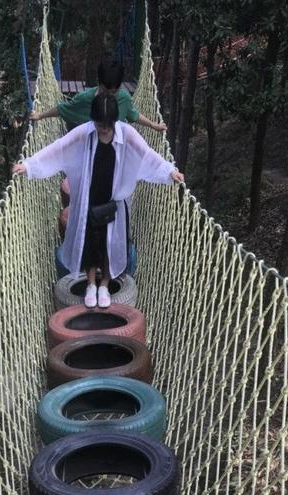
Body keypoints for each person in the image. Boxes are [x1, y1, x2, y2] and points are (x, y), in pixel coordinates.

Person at [13, 94, 183, 308]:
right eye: (99, 124)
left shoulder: (126, 133)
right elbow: (58, 147)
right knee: (90, 243)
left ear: (114, 122)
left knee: (111, 243)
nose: (102, 129)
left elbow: (147, 154)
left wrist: (169, 171)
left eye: (106, 125)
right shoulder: (85, 132)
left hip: (114, 201)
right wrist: (28, 165)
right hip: (89, 199)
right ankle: (91, 284)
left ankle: (104, 284)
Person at [30, 57, 166, 133]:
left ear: (119, 87)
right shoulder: (84, 99)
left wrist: (153, 125)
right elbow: (62, 108)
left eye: (114, 92)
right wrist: (40, 115)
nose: (109, 95)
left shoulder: (124, 98)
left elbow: (133, 114)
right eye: (105, 91)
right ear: (99, 83)